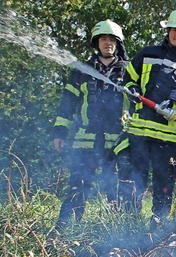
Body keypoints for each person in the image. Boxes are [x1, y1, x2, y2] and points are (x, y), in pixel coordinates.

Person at [114, 9, 176, 230]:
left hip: (169, 139)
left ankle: (157, 230)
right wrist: (133, 89)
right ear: (168, 30)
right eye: (175, 30)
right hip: (139, 133)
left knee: (164, 185)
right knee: (135, 182)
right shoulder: (147, 54)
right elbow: (127, 80)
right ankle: (129, 228)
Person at [52, 20, 128, 230]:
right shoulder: (82, 70)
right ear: (97, 42)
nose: (108, 43)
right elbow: (68, 104)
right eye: (104, 39)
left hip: (115, 143)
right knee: (78, 187)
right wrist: (59, 132)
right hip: (85, 141)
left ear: (118, 44)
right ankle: (65, 231)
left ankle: (113, 236)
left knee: (114, 191)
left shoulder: (127, 72)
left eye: (112, 40)